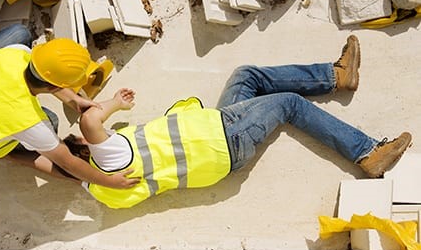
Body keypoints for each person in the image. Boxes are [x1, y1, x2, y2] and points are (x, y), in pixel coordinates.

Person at [78, 35, 412, 209]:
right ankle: (367, 153)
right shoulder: (112, 157)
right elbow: (90, 119)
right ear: (85, 150)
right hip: (225, 138)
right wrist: (114, 104)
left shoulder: (103, 191)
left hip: (217, 140)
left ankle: (338, 76)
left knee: (246, 76)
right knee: (289, 104)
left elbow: (64, 166)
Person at [0, 24, 139, 189]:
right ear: (56, 85)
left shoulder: (16, 53)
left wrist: (74, 100)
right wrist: (110, 182)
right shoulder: (32, 123)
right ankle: (5, 152)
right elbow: (68, 164)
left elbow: (44, 77)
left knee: (19, 32)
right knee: (52, 123)